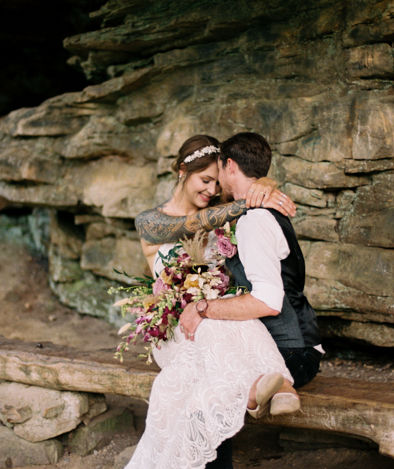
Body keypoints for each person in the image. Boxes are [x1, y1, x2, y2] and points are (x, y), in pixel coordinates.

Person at [126, 135, 300, 469]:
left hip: (217, 323)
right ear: (182, 172)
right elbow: (188, 226)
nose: (210, 190)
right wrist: (249, 200)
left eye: (215, 182)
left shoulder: (222, 210)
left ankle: (275, 387)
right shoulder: (151, 221)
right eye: (204, 181)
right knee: (212, 327)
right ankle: (263, 386)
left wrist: (262, 184)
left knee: (222, 348)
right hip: (179, 328)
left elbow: (243, 179)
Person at [179, 132, 324, 465]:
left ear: (230, 166)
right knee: (199, 373)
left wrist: (202, 308)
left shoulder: (254, 221)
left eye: (217, 175)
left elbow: (269, 301)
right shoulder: (249, 212)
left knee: (207, 387)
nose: (214, 187)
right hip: (285, 345)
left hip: (292, 352)